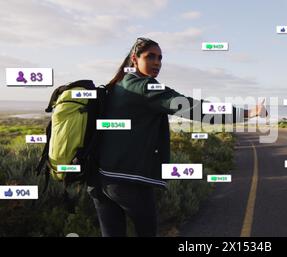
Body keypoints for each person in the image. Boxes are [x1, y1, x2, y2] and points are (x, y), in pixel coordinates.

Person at [87, 37, 267, 237]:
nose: (157, 62)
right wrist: (248, 112)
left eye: (160, 58)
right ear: (134, 59)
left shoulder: (117, 86)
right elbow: (194, 108)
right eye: (150, 57)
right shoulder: (145, 87)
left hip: (100, 179)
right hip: (129, 182)